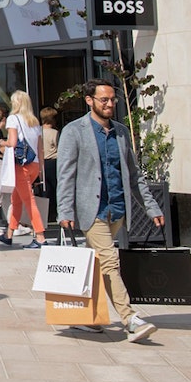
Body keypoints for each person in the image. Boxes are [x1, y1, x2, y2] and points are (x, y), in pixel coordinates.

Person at [57, 79, 163, 342]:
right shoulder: (74, 131)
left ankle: (87, 319)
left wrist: (151, 207)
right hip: (91, 210)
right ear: (89, 100)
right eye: (104, 99)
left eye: (112, 99)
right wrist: (65, 211)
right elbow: (66, 175)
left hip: (117, 208)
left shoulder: (121, 132)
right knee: (110, 263)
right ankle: (130, 320)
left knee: (100, 266)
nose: (110, 104)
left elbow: (134, 176)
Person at [0, 91, 47, 248]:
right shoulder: (34, 121)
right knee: (16, 199)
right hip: (34, 164)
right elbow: (39, 148)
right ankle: (9, 233)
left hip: (21, 166)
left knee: (29, 202)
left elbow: (12, 142)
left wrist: (0, 143)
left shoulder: (13, 119)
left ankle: (40, 236)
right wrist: (41, 169)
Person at [40, 106, 60, 224]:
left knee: (45, 189)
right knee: (56, 187)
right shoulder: (55, 133)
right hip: (53, 162)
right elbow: (59, 148)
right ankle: (56, 213)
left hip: (42, 163)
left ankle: (45, 215)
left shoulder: (38, 131)